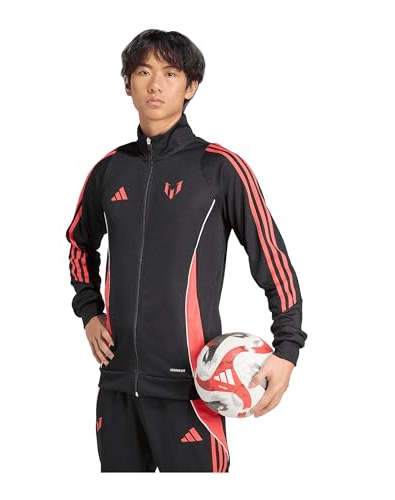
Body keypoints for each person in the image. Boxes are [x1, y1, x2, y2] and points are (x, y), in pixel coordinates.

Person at [65, 29, 307, 473]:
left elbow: (272, 260)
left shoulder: (218, 167)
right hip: (117, 386)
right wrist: (89, 312)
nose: (155, 85)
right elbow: (80, 244)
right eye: (143, 72)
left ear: (191, 86)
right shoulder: (108, 170)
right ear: (128, 84)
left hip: (193, 390)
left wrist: (287, 348)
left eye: (171, 74)